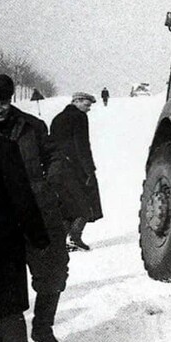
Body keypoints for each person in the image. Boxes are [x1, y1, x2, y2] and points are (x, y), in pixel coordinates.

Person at [0, 75, 68, 342]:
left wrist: (49, 184)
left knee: (53, 273)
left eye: (3, 103)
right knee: (0, 284)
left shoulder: (31, 126)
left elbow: (55, 155)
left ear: (11, 101)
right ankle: (0, 339)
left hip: (38, 211)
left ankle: (43, 327)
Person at [0, 130, 50, 342]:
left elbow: (22, 195)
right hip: (1, 242)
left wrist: (38, 236)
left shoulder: (4, 147)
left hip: (4, 242)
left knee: (8, 308)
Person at [50, 92, 102, 252]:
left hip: (56, 168)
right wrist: (89, 170)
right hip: (73, 168)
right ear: (77, 102)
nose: (89, 109)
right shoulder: (79, 117)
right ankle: (75, 238)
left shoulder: (58, 118)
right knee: (86, 205)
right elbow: (82, 145)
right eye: (87, 105)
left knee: (66, 205)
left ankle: (61, 241)